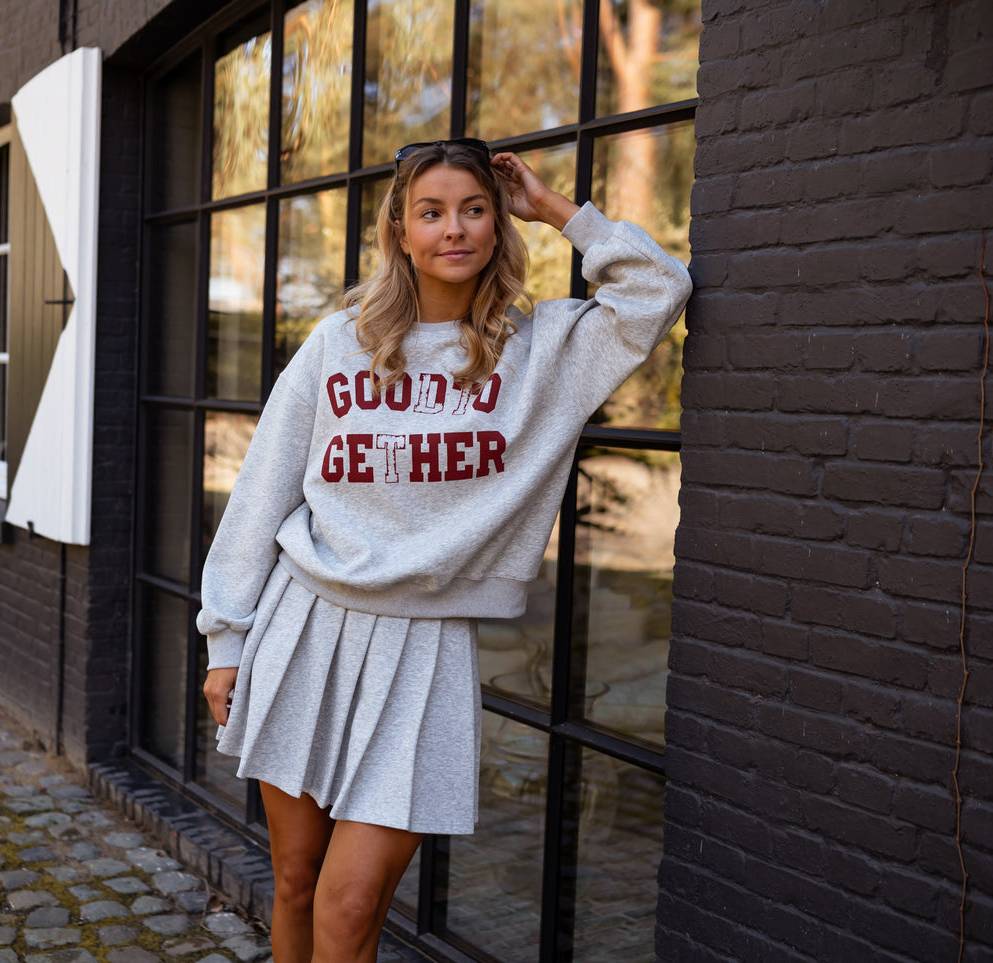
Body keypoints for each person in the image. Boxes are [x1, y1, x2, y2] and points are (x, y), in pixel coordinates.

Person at [198, 138, 692, 962]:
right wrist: (227, 639)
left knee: (351, 905)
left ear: (498, 226)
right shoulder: (338, 343)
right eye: (430, 212)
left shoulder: (545, 350)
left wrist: (554, 208)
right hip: (305, 626)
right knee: (294, 878)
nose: (453, 229)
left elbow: (658, 288)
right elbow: (261, 492)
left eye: (473, 210)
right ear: (399, 230)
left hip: (424, 653)